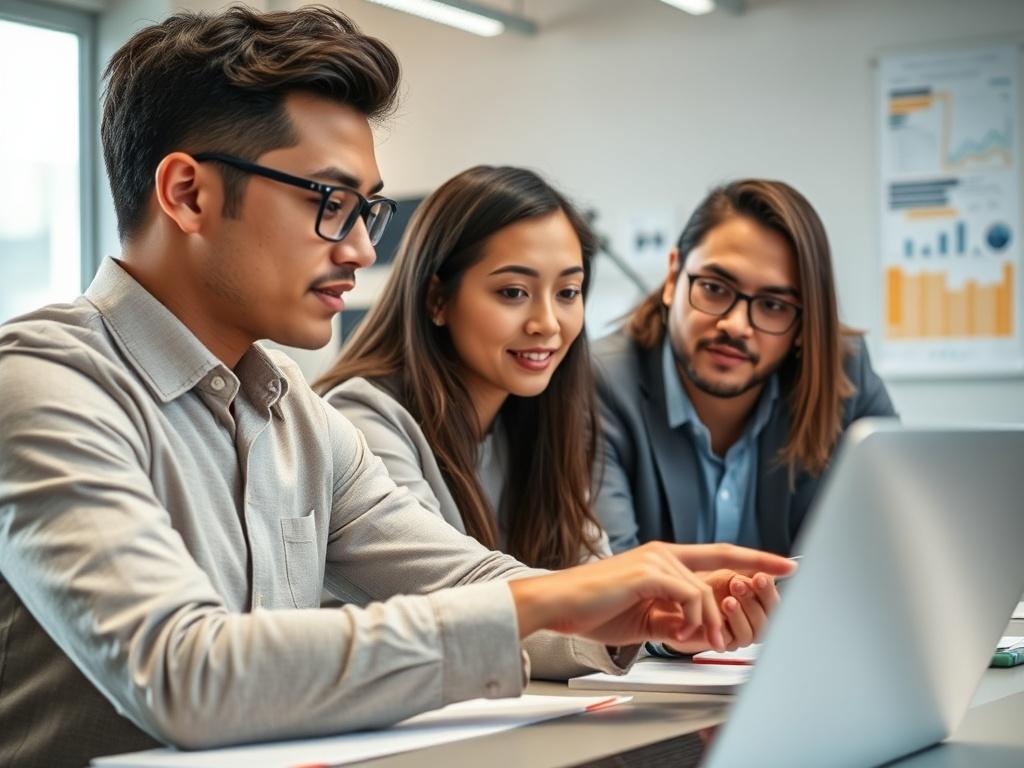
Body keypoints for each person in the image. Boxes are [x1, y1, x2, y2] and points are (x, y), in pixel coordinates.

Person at [0, 8, 793, 766]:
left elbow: (468, 580)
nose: (356, 249)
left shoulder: (297, 419)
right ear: (188, 193)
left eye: (365, 212)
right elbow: (183, 672)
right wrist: (555, 598)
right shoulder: (46, 383)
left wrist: (632, 614)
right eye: (329, 203)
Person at [317, 165, 782, 652]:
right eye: (513, 292)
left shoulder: (541, 422)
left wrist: (675, 623)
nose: (547, 323)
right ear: (437, 298)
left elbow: (594, 586)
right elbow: (460, 606)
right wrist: (626, 605)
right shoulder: (364, 420)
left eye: (567, 293)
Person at [593, 179, 897, 554]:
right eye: (715, 288)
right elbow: (610, 580)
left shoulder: (845, 377)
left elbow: (896, 542)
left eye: (773, 305)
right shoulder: (598, 383)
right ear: (673, 277)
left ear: (804, 326)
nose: (736, 326)